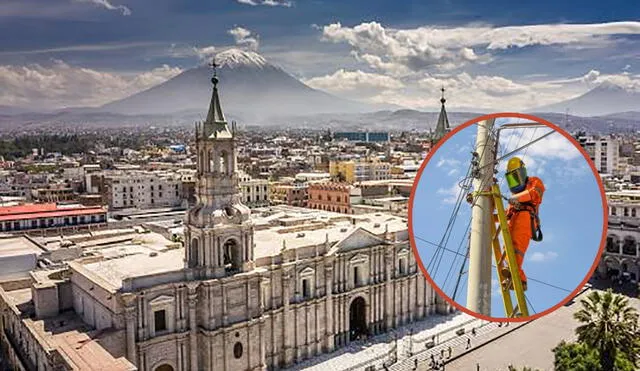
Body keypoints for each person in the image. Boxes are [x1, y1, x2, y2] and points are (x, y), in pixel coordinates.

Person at [502, 156, 545, 291]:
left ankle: (517, 277)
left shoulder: (534, 182)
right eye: (512, 179)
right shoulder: (513, 202)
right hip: (514, 218)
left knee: (516, 246)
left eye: (516, 177)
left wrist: (516, 198)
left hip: (526, 217)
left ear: (522, 173)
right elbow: (505, 215)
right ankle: (515, 277)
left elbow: (534, 193)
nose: (515, 182)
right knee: (507, 248)